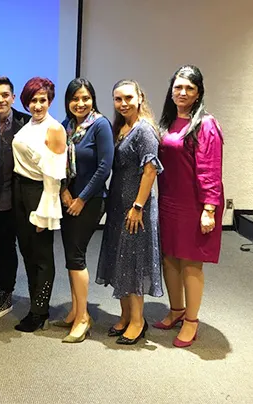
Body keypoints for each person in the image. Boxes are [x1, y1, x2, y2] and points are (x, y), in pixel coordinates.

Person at [155, 65, 224, 348]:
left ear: (198, 93)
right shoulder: (167, 122)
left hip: (195, 205)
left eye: (189, 88)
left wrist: (209, 209)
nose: (182, 92)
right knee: (170, 258)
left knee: (191, 263)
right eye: (178, 87)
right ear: (171, 91)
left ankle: (192, 321)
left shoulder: (206, 124)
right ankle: (176, 310)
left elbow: (210, 169)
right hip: (169, 200)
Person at [95, 79, 163, 345]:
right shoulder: (121, 128)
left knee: (134, 263)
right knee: (120, 260)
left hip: (136, 208)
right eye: (117, 99)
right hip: (118, 206)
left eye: (127, 98)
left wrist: (137, 206)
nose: (123, 103)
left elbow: (150, 170)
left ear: (139, 98)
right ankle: (125, 316)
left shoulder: (144, 130)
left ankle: (138, 322)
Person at [57, 78, 114, 343]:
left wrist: (80, 197)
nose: (80, 103)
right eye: (75, 98)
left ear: (92, 99)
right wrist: (64, 191)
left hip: (90, 202)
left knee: (77, 256)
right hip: (68, 199)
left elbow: (104, 167)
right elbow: (59, 163)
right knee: (70, 255)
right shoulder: (67, 126)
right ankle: (75, 309)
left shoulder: (100, 125)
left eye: (85, 98)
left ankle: (83, 318)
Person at [11, 77, 67, 332]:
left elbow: (54, 176)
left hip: (40, 193)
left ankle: (40, 311)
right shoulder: (28, 125)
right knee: (27, 252)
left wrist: (46, 214)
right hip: (19, 191)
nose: (37, 105)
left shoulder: (54, 129)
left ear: (50, 101)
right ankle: (35, 304)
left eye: (42, 100)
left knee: (42, 256)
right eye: (33, 100)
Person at [0, 76, 31, 319]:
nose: (0, 99)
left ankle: (6, 294)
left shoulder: (27, 123)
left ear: (12, 97)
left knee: (9, 247)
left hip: (17, 198)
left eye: (4, 95)